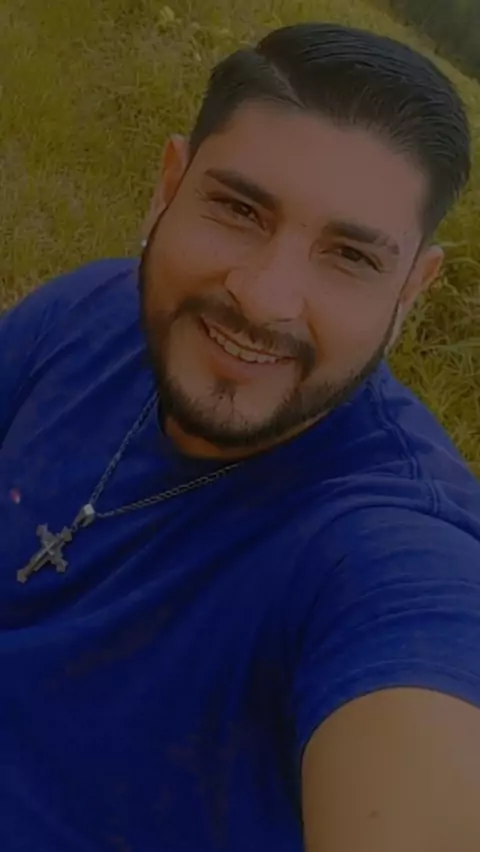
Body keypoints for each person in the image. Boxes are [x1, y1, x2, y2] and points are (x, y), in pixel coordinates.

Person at [1, 19, 480, 852]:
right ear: (168, 185)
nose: (264, 297)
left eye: (351, 257)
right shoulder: (87, 313)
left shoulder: (393, 550)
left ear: (412, 288)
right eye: (238, 209)